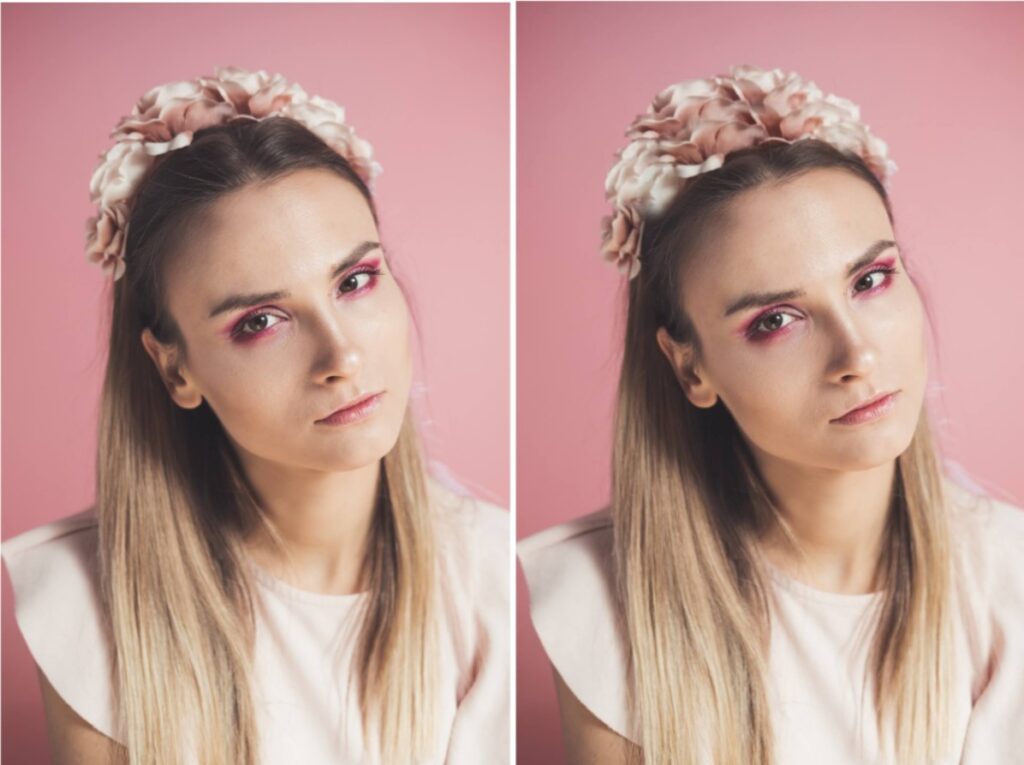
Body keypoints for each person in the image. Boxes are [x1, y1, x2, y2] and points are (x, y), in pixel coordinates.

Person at [518, 64, 1024, 765]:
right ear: (690, 367)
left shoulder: (1009, 577)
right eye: (777, 320)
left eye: (871, 280)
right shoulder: (602, 598)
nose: (857, 354)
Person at [2, 66, 509, 764]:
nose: (342, 355)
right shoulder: (87, 600)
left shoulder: (493, 575)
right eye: (261, 321)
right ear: (174, 368)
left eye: (356, 281)